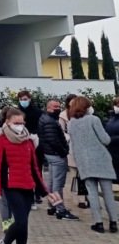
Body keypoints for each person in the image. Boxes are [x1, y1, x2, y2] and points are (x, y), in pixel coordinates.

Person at [0, 108, 50, 244]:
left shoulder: (28, 140)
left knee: (23, 223)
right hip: (11, 185)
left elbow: (34, 168)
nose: (20, 126)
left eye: (22, 123)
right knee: (21, 222)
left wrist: (44, 191)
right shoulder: (0, 139)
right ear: (8, 122)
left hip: (27, 185)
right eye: (16, 123)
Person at [67, 96, 118, 234]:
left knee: (92, 193)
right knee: (108, 192)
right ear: (86, 107)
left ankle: (98, 223)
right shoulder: (94, 119)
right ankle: (113, 223)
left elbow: (73, 145)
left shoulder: (71, 123)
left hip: (84, 161)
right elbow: (105, 140)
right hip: (101, 160)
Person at [38, 98, 78, 220]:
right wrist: (63, 151)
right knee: (58, 183)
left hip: (50, 154)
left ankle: (52, 206)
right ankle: (60, 210)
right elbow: (53, 140)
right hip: (56, 155)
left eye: (59, 107)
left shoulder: (45, 118)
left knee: (51, 181)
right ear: (48, 107)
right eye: (55, 107)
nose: (58, 109)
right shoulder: (50, 121)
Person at [59, 93, 88, 209]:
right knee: (75, 175)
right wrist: (70, 138)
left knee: (85, 175)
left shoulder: (85, 113)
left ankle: (86, 197)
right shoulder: (63, 115)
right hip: (72, 147)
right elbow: (61, 131)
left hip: (85, 147)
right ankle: (79, 199)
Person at [17, 90, 44, 205]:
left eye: (25, 99)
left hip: (35, 142)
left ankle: (38, 192)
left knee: (37, 168)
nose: (23, 101)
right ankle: (28, 193)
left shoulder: (38, 112)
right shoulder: (16, 112)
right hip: (21, 142)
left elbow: (41, 127)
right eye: (21, 99)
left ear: (29, 99)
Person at [107, 96, 119, 185]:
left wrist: (110, 139)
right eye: (116, 105)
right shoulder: (112, 118)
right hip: (112, 153)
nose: (117, 107)